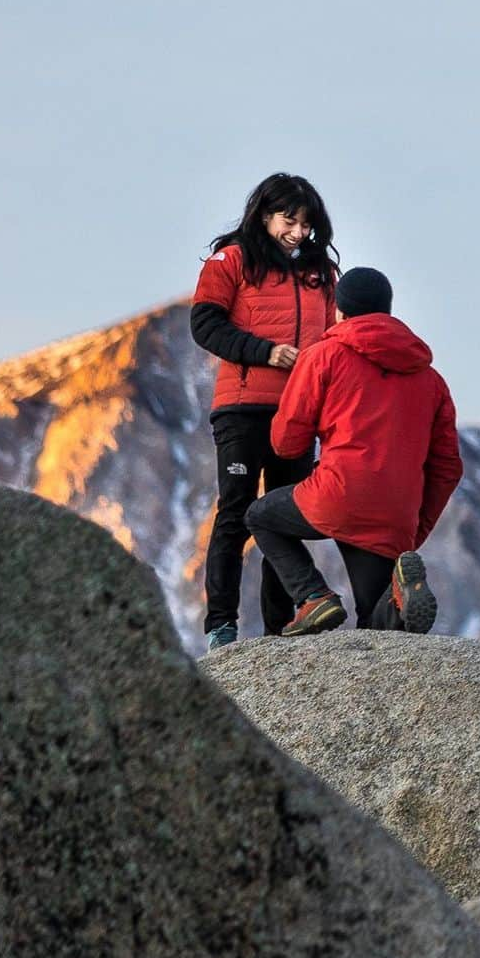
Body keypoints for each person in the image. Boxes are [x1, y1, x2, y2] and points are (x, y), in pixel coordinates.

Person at [244, 266, 463, 635]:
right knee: (375, 629)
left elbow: (287, 442)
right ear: (388, 311)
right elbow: (447, 468)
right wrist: (412, 531)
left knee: (260, 516)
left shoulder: (324, 355)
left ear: (339, 312)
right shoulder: (432, 380)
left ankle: (313, 596)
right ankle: (398, 600)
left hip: (338, 492)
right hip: (396, 511)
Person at [190, 173, 340, 651]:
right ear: (264, 214)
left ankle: (281, 631)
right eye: (288, 220)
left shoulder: (321, 275)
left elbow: (336, 340)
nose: (298, 232)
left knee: (283, 516)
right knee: (234, 512)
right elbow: (205, 324)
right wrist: (264, 352)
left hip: (299, 413)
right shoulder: (231, 260)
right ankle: (221, 627)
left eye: (306, 224)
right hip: (242, 407)